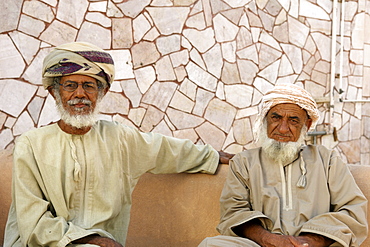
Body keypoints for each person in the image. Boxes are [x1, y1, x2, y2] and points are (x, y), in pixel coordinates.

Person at [4, 42, 233, 247]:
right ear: (54, 92)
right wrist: (93, 240)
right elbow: (33, 221)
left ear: (102, 92)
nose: (80, 94)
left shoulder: (120, 139)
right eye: (70, 85)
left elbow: (165, 150)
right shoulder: (30, 145)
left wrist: (213, 156)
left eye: (89, 86)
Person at [199, 84, 368, 247]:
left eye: (293, 120)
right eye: (276, 118)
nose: (283, 128)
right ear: (265, 120)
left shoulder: (327, 160)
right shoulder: (244, 162)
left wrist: (310, 241)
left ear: (307, 125)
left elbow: (353, 210)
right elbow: (233, 213)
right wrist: (269, 240)